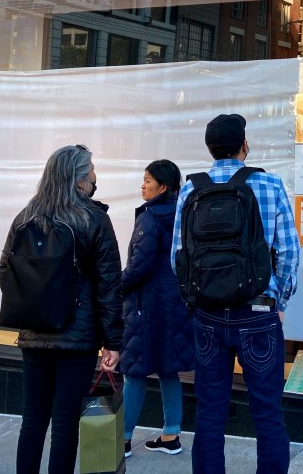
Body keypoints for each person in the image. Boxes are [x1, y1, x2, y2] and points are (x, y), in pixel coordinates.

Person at [171, 113, 301, 474]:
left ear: (210, 149)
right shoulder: (269, 184)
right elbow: (289, 252)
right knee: (267, 414)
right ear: (245, 145)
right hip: (258, 312)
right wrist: (280, 302)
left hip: (209, 315)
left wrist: (195, 299)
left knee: (210, 412)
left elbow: (177, 257)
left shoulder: (190, 188)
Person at [0, 145, 123, 474]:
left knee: (33, 421)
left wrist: (32, 308)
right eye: (92, 169)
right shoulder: (94, 219)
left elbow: (5, 273)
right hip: (77, 339)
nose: (96, 175)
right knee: (65, 424)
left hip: (34, 335)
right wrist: (113, 341)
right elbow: (109, 285)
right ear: (80, 180)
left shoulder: (26, 217)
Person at [120, 159, 195, 458]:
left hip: (146, 305)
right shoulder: (182, 213)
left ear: (162, 186)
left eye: (148, 180)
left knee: (134, 372)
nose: (142, 184)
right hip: (174, 303)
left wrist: (116, 285)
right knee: (168, 369)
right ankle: (171, 435)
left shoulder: (150, 217)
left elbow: (140, 266)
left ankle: (122, 440)